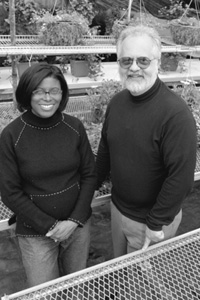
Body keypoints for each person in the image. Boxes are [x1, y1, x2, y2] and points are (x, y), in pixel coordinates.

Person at [95, 25, 197, 257]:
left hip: (150, 221)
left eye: (143, 60)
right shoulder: (117, 103)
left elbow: (181, 178)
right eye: (125, 60)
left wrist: (156, 223)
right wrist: (89, 187)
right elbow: (105, 151)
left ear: (157, 62)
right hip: (118, 209)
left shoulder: (175, 114)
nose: (133, 68)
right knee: (119, 269)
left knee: (145, 286)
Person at [0, 63, 96, 287]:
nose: (47, 97)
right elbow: (10, 192)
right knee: (46, 291)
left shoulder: (73, 127)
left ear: (62, 94)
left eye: (54, 91)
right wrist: (50, 227)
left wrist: (74, 220)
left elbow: (90, 175)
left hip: (78, 227)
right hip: (36, 233)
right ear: (27, 93)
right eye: (39, 91)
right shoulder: (12, 135)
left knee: (77, 284)